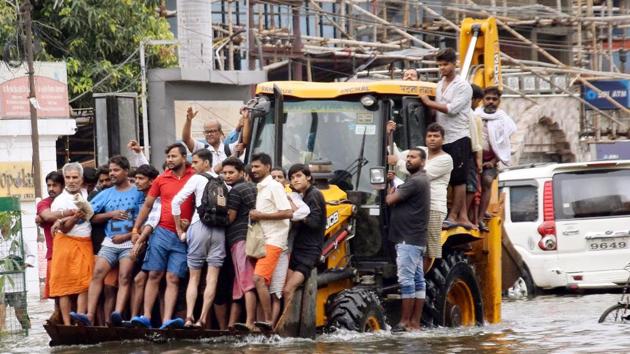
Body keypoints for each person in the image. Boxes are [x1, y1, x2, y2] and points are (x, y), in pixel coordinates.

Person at [70, 156, 145, 327]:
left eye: (116, 170)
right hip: (110, 242)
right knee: (97, 274)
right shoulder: (105, 194)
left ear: (126, 172)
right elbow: (90, 216)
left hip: (129, 242)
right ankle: (89, 315)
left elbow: (144, 217)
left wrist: (127, 236)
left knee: (125, 276)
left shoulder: (138, 192)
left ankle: (117, 313)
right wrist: (110, 215)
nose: (112, 173)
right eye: (110, 170)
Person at [130, 143, 196, 329]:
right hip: (162, 232)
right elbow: (148, 206)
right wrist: (136, 229)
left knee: (173, 278)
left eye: (173, 156)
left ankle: (167, 320)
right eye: (168, 157)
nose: (169, 160)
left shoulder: (195, 177)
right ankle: (147, 317)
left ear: (184, 157)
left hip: (184, 235)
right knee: (154, 274)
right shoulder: (161, 179)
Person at [419, 47, 474, 230]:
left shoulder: (462, 86)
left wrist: (428, 102)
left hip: (459, 137)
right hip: (444, 138)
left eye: (445, 64)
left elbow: (452, 109)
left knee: (459, 179)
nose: (442, 68)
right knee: (446, 178)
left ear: (454, 64)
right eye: (439, 65)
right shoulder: (439, 84)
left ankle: (453, 216)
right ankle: (453, 213)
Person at [171, 149, 226, 328]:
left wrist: (180, 229)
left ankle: (189, 317)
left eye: (195, 162)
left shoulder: (196, 178)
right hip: (219, 230)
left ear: (206, 163)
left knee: (194, 278)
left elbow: (175, 202)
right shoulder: (222, 182)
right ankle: (202, 318)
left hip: (198, 226)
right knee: (212, 279)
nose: (192, 166)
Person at [386, 148, 430, 333]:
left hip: (407, 240)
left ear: (423, 162)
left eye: (413, 157)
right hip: (416, 239)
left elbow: (390, 199)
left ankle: (405, 321)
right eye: (408, 157)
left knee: (406, 280)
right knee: (418, 281)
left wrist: (391, 189)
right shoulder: (420, 180)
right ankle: (415, 323)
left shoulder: (415, 181)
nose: (409, 160)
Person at [249, 153, 293, 330]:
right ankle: (263, 323)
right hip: (262, 240)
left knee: (258, 279)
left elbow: (288, 213)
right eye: (252, 167)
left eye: (257, 166)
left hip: (274, 240)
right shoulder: (259, 187)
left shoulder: (274, 186)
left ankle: (268, 322)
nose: (253, 170)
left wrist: (261, 215)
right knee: (263, 283)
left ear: (267, 167)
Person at [49, 162, 94, 326]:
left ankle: (80, 318)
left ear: (81, 179)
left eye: (75, 177)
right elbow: (66, 230)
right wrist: (74, 217)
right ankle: (67, 324)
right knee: (64, 286)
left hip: (85, 242)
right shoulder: (60, 200)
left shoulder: (86, 194)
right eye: (68, 177)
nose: (71, 181)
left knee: (85, 283)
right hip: (66, 243)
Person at [282, 164, 326, 307]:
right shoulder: (301, 196)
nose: (295, 180)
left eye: (299, 176)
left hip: (309, 251)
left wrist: (296, 213)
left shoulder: (314, 194)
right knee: (284, 289)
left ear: (308, 177)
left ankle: (286, 327)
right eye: (292, 177)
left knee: (288, 289)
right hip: (298, 249)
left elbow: (314, 222)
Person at [474, 87, 517, 231]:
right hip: (474, 158)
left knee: (486, 181)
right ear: (482, 100)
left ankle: (480, 219)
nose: (491, 102)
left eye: (494, 99)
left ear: (499, 101)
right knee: (472, 186)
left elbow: (504, 145)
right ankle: (474, 215)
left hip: (490, 161)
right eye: (488, 99)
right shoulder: (475, 115)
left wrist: (492, 162)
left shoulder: (503, 119)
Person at [222, 157, 257, 331]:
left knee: (246, 281)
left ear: (242, 173)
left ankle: (250, 322)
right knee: (240, 282)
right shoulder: (253, 187)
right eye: (225, 173)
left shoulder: (236, 190)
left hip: (239, 239)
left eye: (231, 172)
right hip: (251, 238)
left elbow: (231, 217)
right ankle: (231, 324)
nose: (227, 176)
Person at [126, 164, 161, 326]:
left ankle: (143, 318)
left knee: (144, 279)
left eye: (141, 179)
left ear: (152, 181)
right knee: (138, 279)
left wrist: (139, 239)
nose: (137, 182)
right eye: (135, 179)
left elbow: (152, 222)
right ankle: (135, 317)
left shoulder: (159, 198)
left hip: (154, 242)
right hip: (143, 242)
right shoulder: (140, 197)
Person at [181, 106, 242, 171]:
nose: (209, 134)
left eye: (212, 131)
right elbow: (186, 139)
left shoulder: (230, 148)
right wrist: (189, 120)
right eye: (207, 132)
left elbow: (244, 141)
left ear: (220, 132)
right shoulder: (202, 149)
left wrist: (245, 115)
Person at [0, 223, 36, 330]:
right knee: (1, 315)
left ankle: (28, 333)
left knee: (21, 315)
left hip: (17, 284)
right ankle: (3, 340)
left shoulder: (18, 237)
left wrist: (24, 265)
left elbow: (31, 255)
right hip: (1, 284)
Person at [35, 171, 65, 299]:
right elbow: (47, 215)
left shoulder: (70, 199)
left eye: (55, 185)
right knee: (57, 294)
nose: (51, 189)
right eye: (49, 185)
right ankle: (61, 318)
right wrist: (70, 212)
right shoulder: (43, 203)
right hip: (53, 254)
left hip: (72, 251)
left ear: (63, 186)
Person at [467, 84, 485, 227]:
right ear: (473, 99)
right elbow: (477, 142)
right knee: (473, 188)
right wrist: (479, 162)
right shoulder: (473, 117)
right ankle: (470, 218)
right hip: (470, 158)